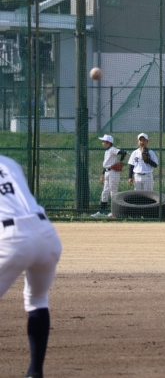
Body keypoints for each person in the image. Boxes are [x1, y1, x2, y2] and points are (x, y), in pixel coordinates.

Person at [0, 154, 62, 378]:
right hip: (46, 234)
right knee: (37, 300)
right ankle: (35, 372)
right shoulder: (9, 163)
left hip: (12, 238)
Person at [91, 134, 127, 218]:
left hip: (113, 172)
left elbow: (123, 152)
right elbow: (106, 165)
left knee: (113, 192)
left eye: (104, 141)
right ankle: (101, 212)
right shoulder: (107, 151)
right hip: (107, 172)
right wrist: (102, 175)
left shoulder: (112, 149)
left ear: (109, 142)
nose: (102, 143)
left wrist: (120, 161)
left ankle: (114, 212)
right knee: (105, 192)